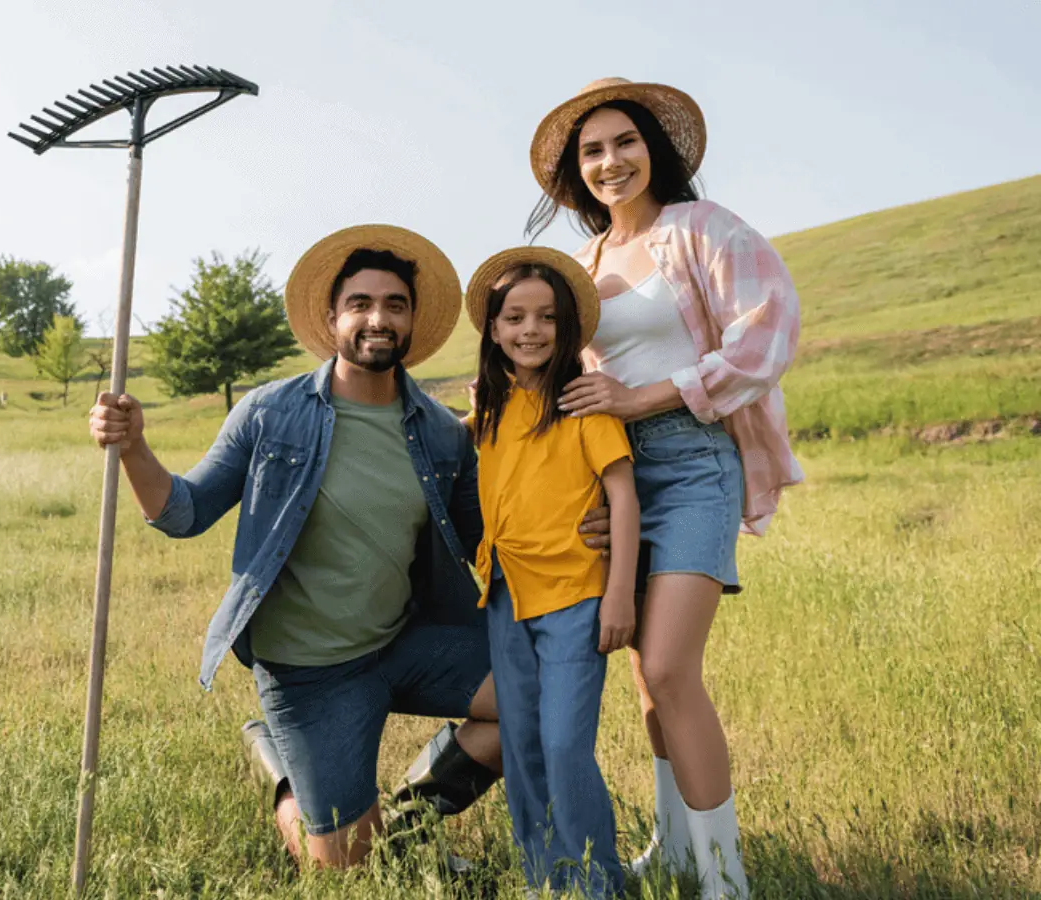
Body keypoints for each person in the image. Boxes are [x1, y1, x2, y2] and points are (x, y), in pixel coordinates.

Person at [90, 225, 509, 868]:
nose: (378, 317)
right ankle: (283, 766)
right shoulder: (269, 413)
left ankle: (404, 819)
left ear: (412, 320)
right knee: (343, 865)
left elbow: (490, 537)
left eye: (395, 304)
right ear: (332, 316)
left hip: (404, 641)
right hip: (308, 672)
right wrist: (135, 447)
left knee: (535, 696)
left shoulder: (441, 433)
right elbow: (184, 512)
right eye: (361, 303)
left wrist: (587, 519)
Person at [525, 77, 804, 899]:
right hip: (610, 476)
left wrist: (647, 396)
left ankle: (725, 879)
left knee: (674, 666)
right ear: (577, 173)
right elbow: (556, 369)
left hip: (689, 461)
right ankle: (676, 847)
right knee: (646, 674)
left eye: (625, 142)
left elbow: (769, 332)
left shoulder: (703, 229)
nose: (611, 161)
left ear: (655, 149)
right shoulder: (579, 266)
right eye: (593, 151)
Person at [463, 246, 639, 897]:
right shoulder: (488, 412)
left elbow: (622, 494)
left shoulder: (584, 405)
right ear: (494, 328)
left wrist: (620, 591)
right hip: (505, 595)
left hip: (575, 596)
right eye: (514, 318)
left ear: (567, 329)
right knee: (525, 747)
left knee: (565, 744)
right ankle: (547, 880)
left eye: (546, 319)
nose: (530, 331)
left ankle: (597, 883)